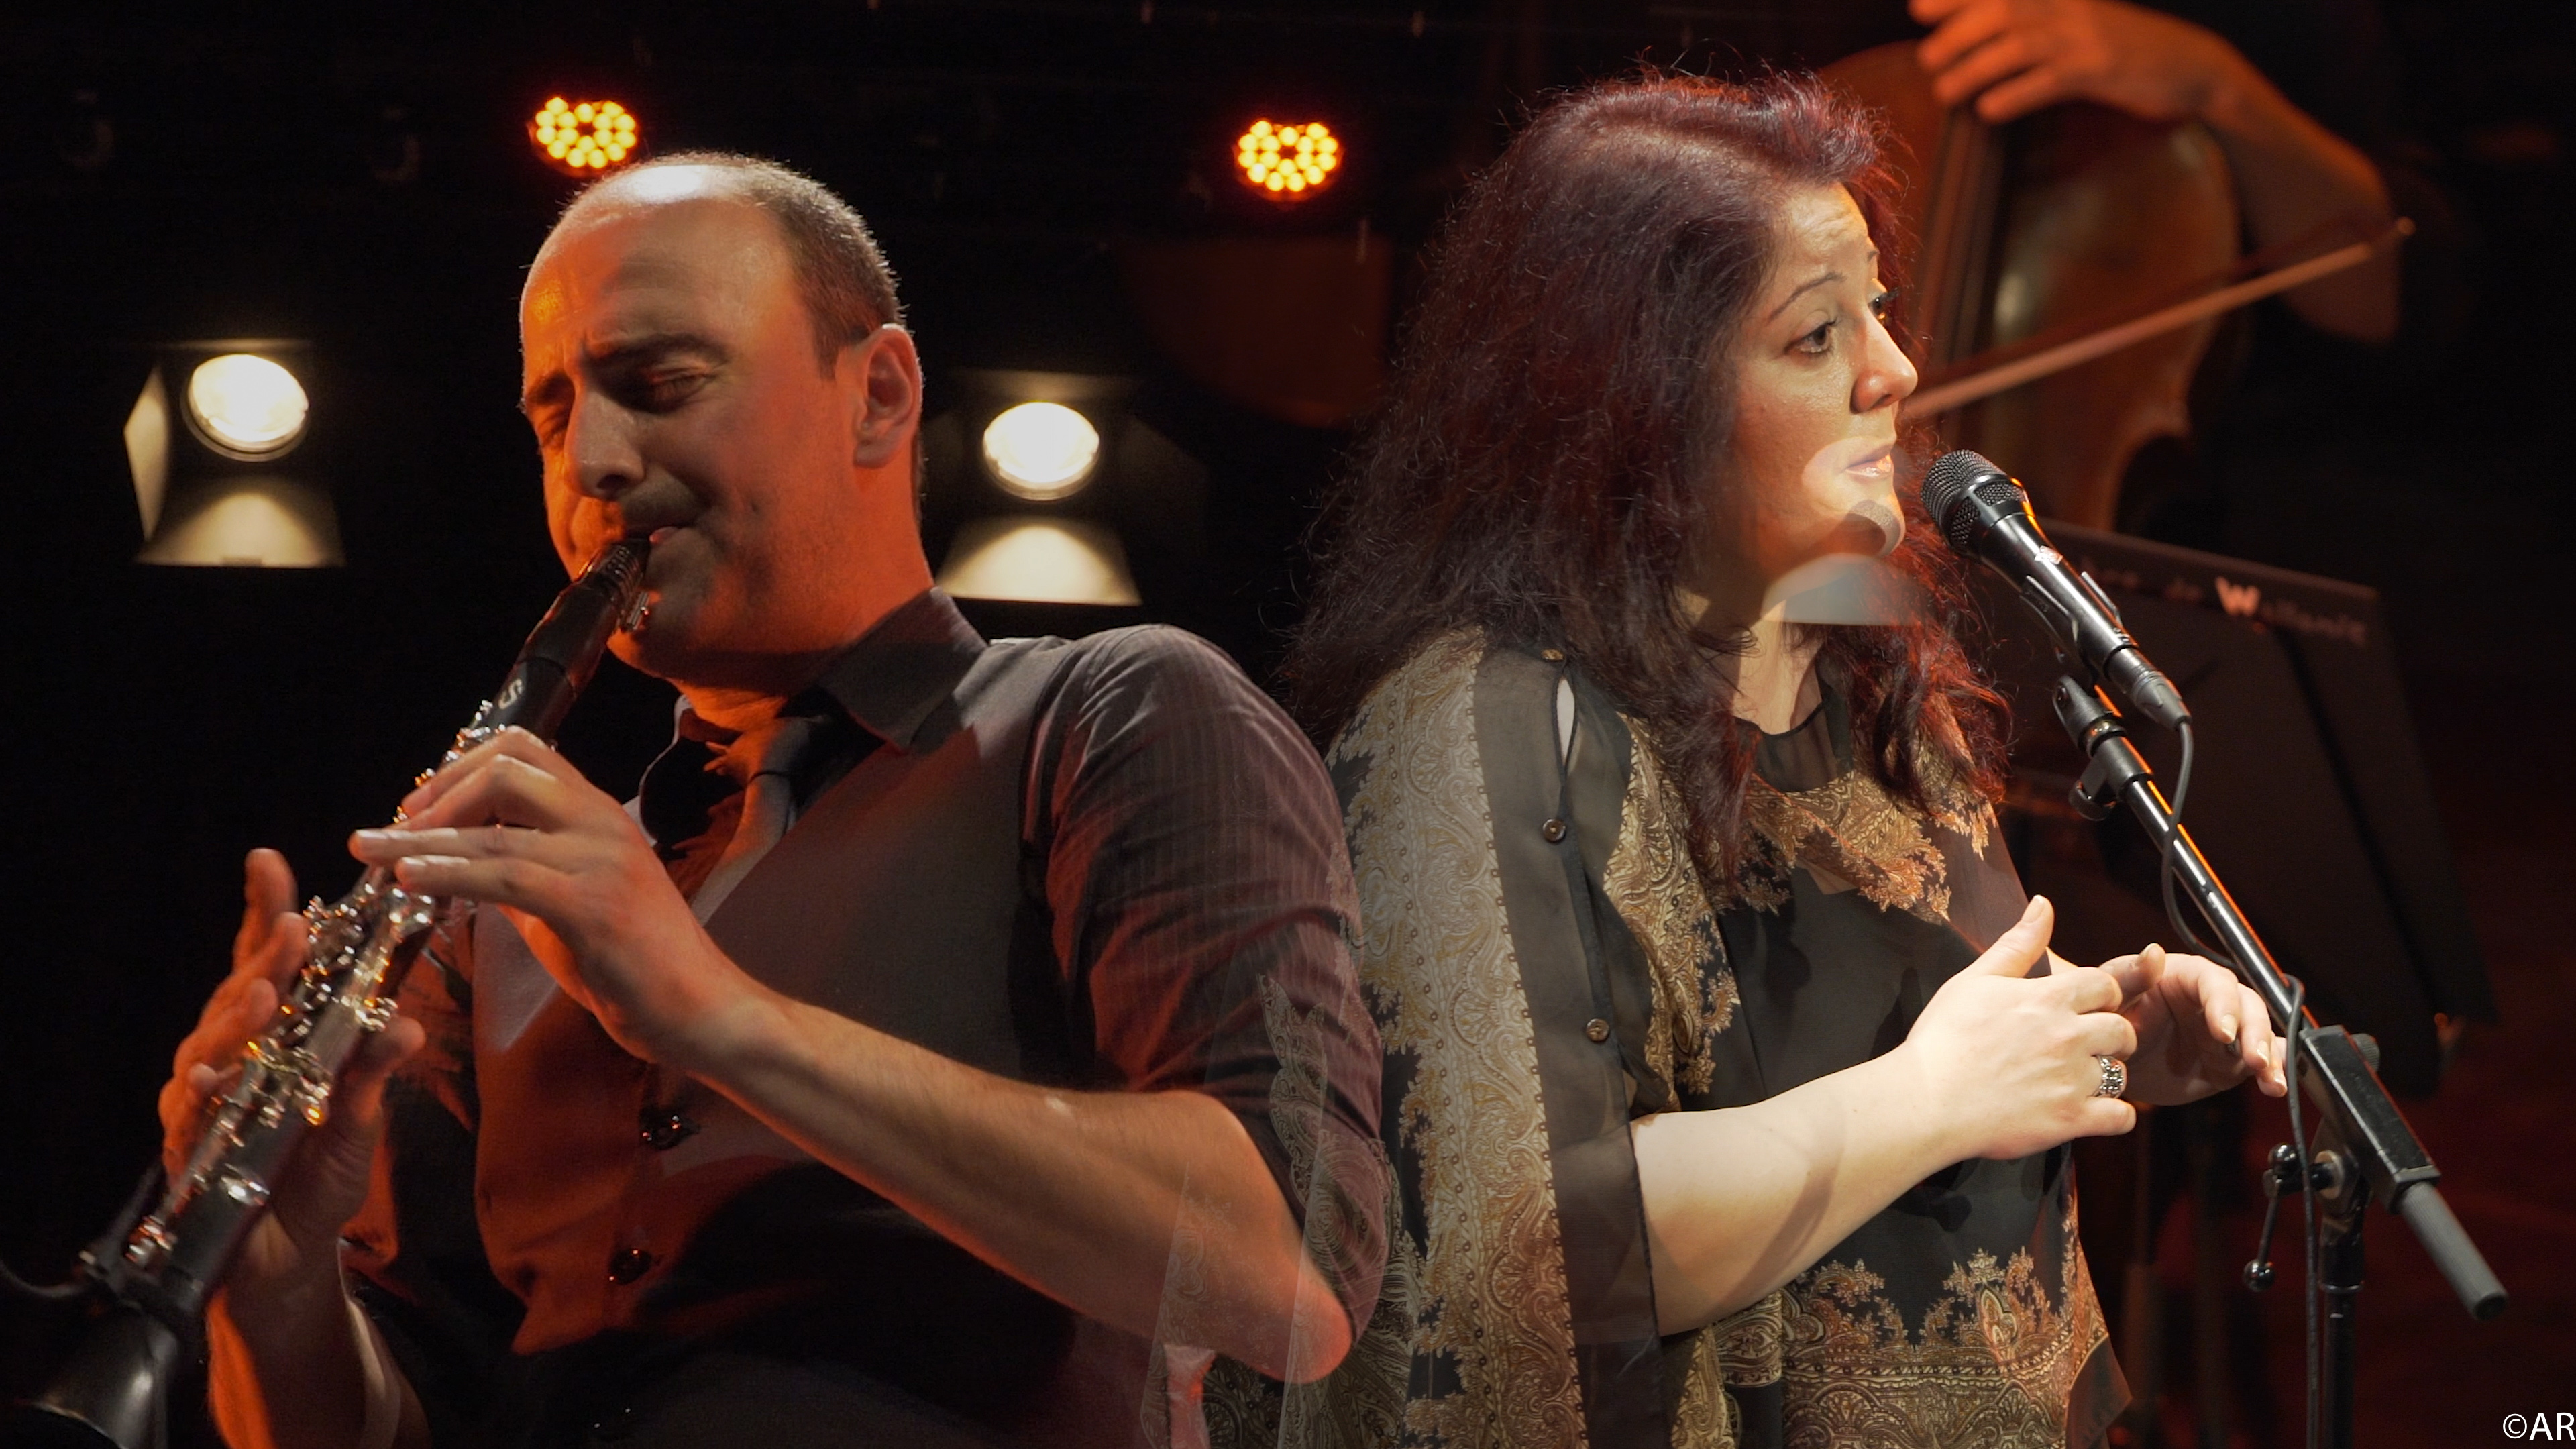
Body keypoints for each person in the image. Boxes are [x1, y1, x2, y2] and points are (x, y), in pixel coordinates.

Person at [158, 153, 1385, 1449]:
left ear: (879, 396)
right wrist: (276, 1289)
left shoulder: (1110, 715)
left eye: (660, 385)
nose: (595, 462)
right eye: (554, 415)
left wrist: (717, 1016)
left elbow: (1291, 1271)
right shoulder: (503, 915)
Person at [1282, 74, 2287, 1448]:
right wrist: (1936, 1098)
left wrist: (2106, 1032)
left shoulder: (1866, 671)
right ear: (1637, 399)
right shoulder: (1487, 726)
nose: (1896, 371)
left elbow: (1893, 1057)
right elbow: (1535, 1252)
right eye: (1818, 334)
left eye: (1878, 310)